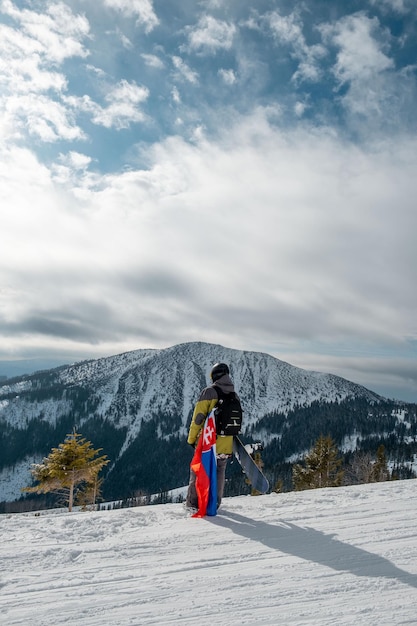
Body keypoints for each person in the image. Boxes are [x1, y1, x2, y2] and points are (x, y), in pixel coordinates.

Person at [186, 362, 238, 511]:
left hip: (208, 442)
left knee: (198, 471)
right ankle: (215, 502)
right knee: (220, 471)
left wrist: (191, 439)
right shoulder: (234, 395)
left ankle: (193, 504)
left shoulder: (209, 392)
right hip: (226, 443)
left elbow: (198, 418)